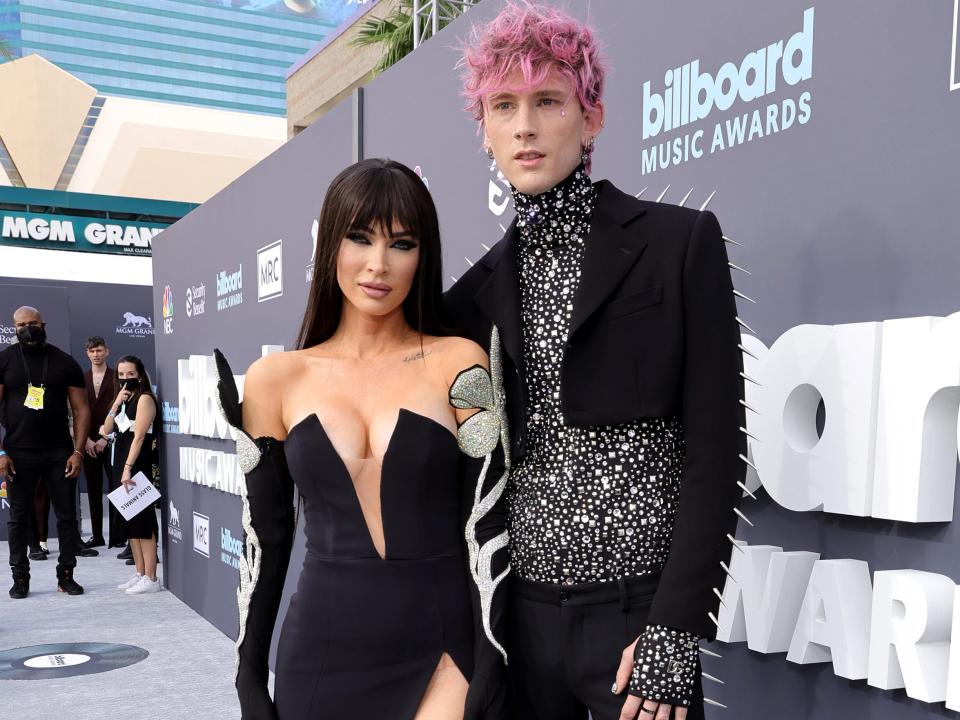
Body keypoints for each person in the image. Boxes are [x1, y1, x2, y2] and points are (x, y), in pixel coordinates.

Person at [445, 4, 747, 719]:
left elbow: (717, 453)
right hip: (516, 625)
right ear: (484, 130)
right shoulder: (469, 298)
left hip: (638, 618)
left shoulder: (679, 244)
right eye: (504, 106)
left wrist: (674, 629)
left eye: (548, 101)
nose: (525, 126)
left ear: (593, 117)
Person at [215, 158, 509, 719]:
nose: (378, 265)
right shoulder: (276, 379)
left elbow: (488, 529)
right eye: (359, 238)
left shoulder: (458, 363)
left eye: (401, 243)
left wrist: (491, 666)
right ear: (330, 245)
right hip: (322, 650)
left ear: (422, 256)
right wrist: (249, 680)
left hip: (444, 646)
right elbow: (265, 542)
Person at [0, 306, 90, 598]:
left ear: (43, 324)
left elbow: (81, 409)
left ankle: (66, 575)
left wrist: (78, 451)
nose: (28, 328)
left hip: (59, 453)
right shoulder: (5, 361)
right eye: (22, 324)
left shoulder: (64, 362)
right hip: (17, 452)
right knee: (18, 518)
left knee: (66, 516)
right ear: (14, 328)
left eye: (33, 323)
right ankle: (20, 577)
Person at [100, 355, 161, 594]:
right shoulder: (124, 400)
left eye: (130, 375)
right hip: (120, 463)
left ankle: (152, 577)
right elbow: (106, 430)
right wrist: (115, 404)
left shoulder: (145, 399)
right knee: (130, 522)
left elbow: (139, 437)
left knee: (143, 522)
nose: (126, 379)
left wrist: (127, 468)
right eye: (121, 375)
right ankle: (140, 572)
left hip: (136, 465)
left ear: (140, 375)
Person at [81, 336, 117, 550]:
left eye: (99, 350)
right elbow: (74, 412)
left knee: (116, 489)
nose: (96, 354)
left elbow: (122, 413)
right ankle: (97, 536)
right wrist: (85, 440)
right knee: (93, 490)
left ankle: (117, 535)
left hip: (111, 442)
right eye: (92, 351)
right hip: (87, 445)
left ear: (107, 352)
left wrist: (105, 439)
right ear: (87, 353)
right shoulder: (81, 378)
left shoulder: (116, 378)